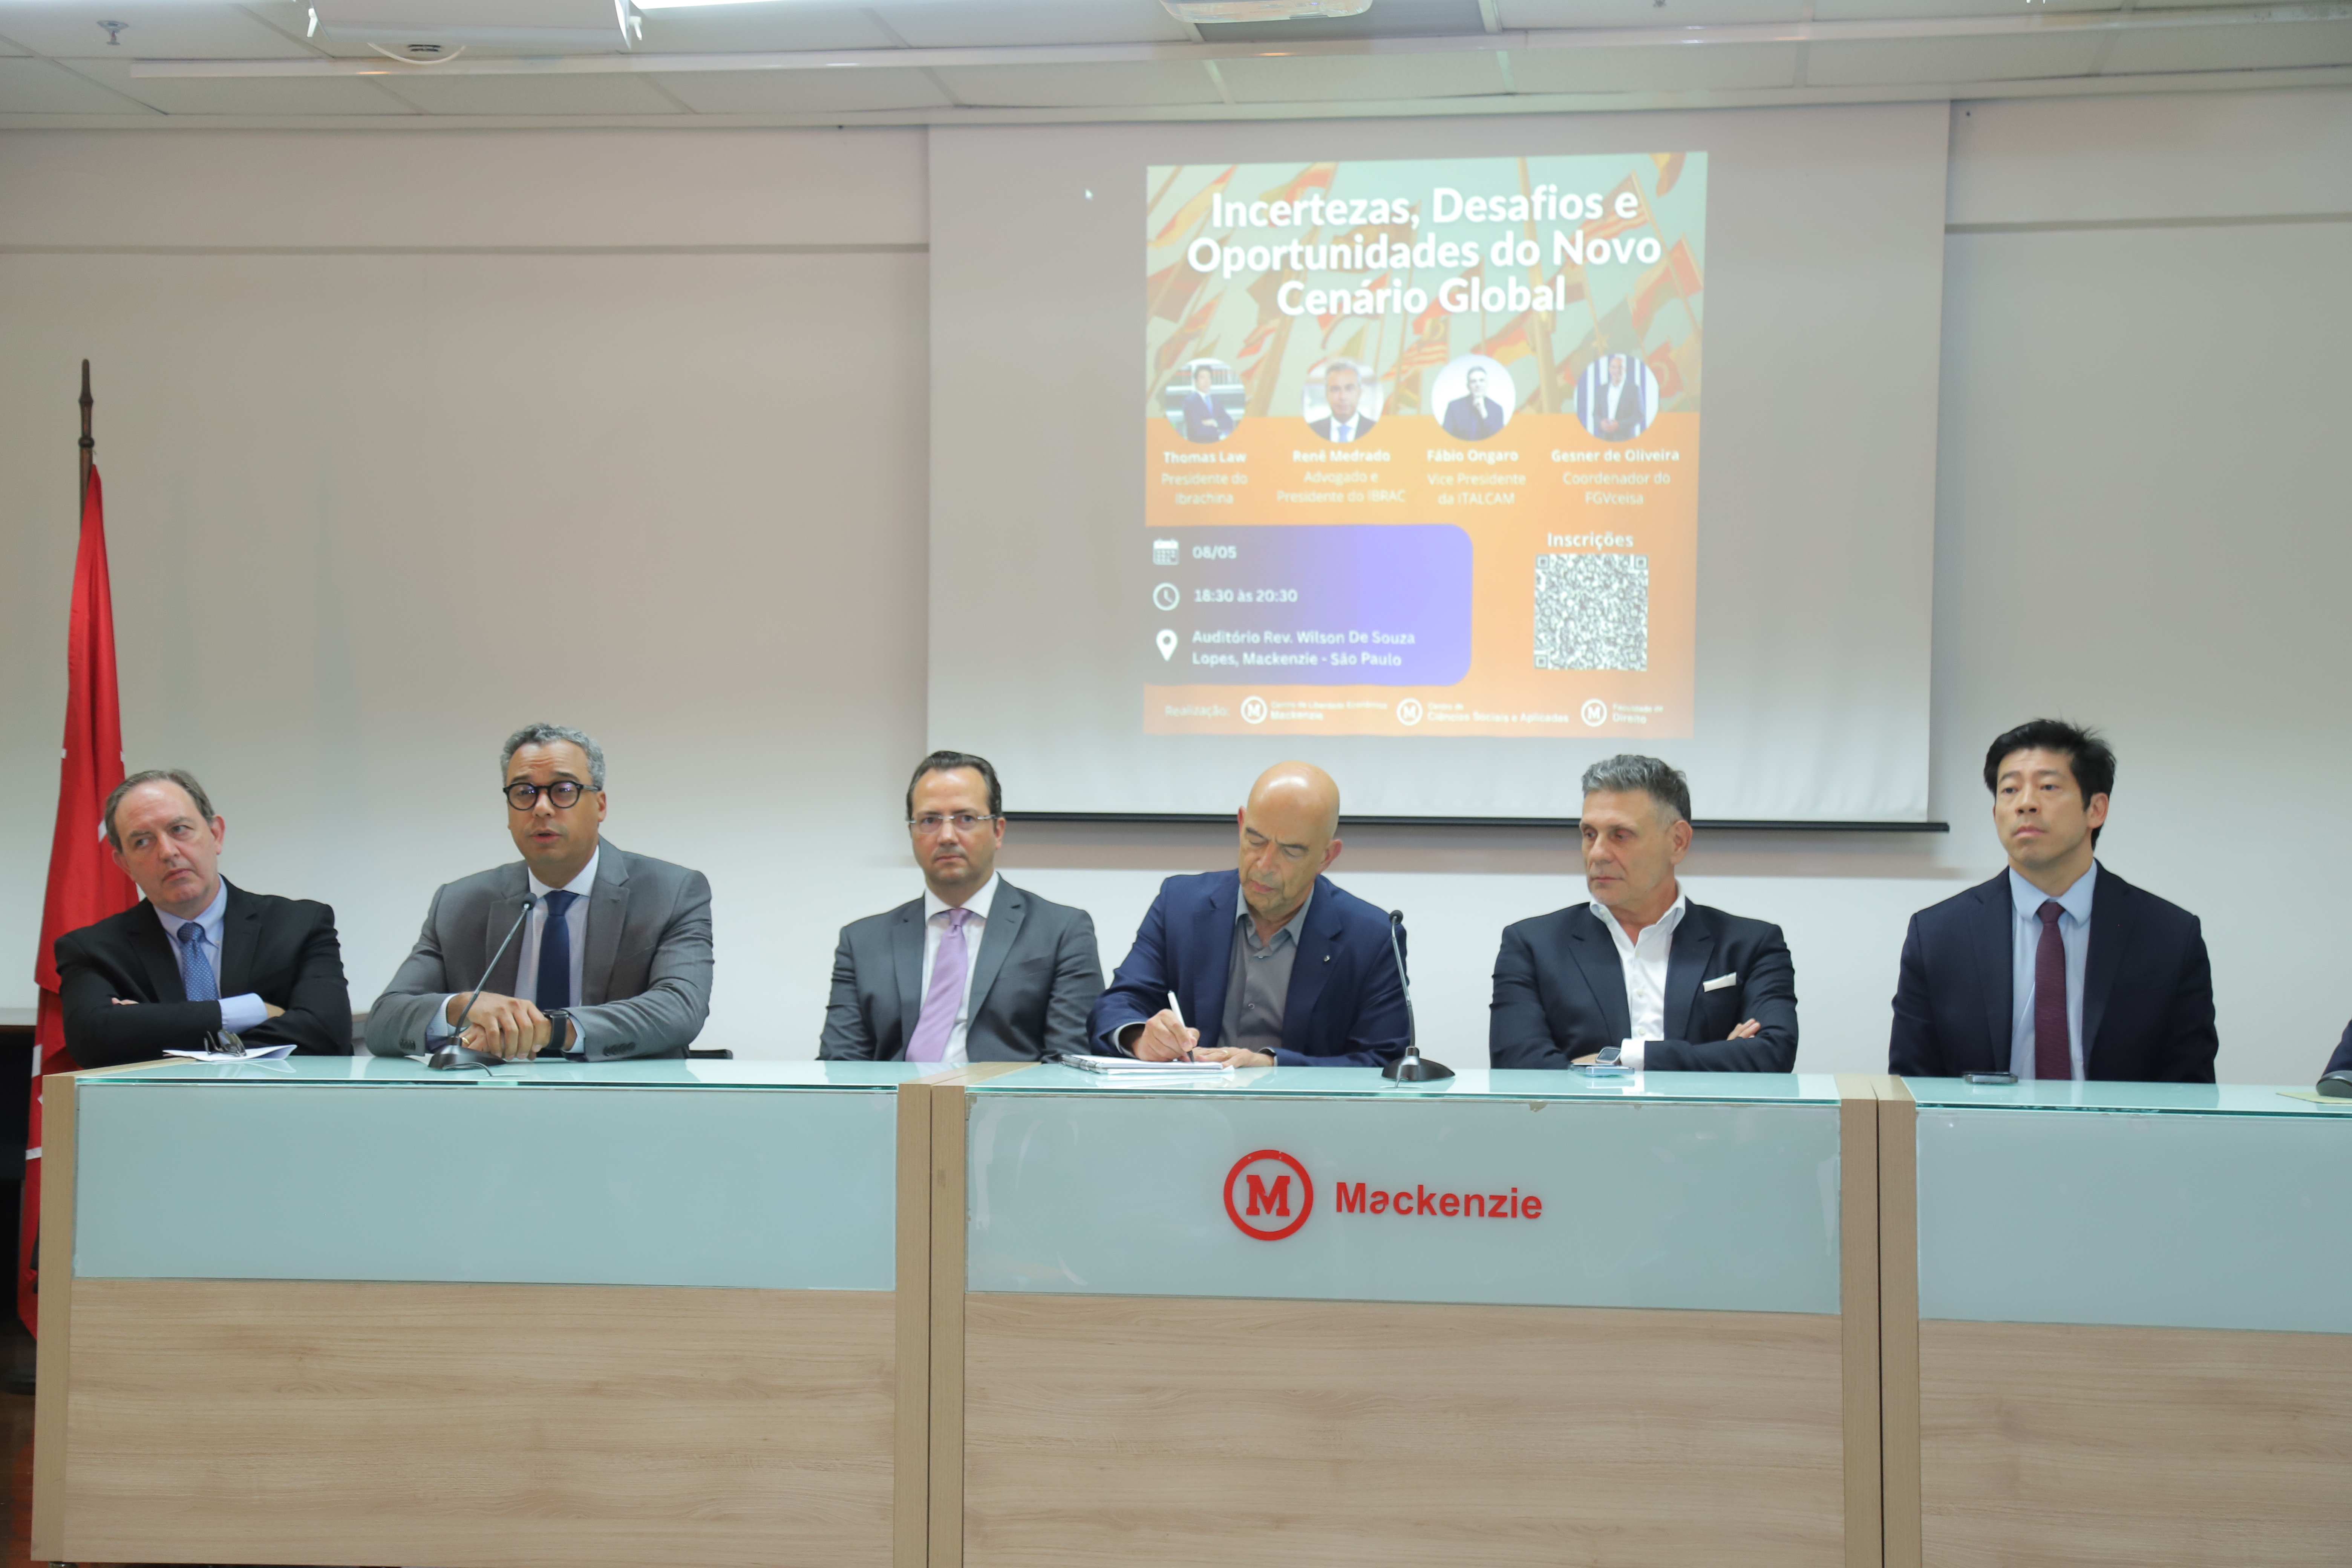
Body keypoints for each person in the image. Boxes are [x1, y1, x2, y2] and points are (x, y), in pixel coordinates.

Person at [1889, 720, 2217, 1082]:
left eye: (2048, 787)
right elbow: (1911, 1088)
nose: (2026, 804)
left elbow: (2190, 1092)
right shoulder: (1937, 936)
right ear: (1996, 814)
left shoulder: (2169, 936)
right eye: (2010, 790)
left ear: (2096, 809)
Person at [369, 723, 712, 1061]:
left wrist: (549, 1029)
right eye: (524, 792)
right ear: (509, 811)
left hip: (623, 1092)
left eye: (564, 790)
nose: (542, 808)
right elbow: (384, 1021)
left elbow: (679, 1009)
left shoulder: (671, 892)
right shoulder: (459, 903)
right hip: (497, 1092)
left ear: (600, 805)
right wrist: (459, 1006)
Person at [1090, 761, 1407, 1069]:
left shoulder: (1373, 938)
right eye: (1256, 840)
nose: (1265, 865)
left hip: (1301, 1105)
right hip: (1191, 1102)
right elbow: (1117, 1005)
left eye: (1291, 851)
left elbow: (1382, 1061)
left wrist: (1273, 1065)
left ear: (1326, 856)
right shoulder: (1180, 905)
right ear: (1241, 824)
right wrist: (1139, 1038)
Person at [1489, 755, 1796, 1072]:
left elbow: (1773, 1055)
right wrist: (1718, 1056)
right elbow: (1518, 1068)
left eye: (1620, 835)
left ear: (1678, 842)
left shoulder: (1751, 945)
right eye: (1590, 834)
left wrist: (1621, 1059)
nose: (1598, 854)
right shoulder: (1532, 946)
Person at [54, 769, 352, 1068]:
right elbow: (92, 1040)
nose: (168, 852)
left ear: (215, 835)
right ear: (125, 865)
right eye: (143, 842)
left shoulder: (299, 925)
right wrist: (253, 1010)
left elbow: (328, 1034)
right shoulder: (94, 949)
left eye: (179, 829)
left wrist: (150, 1029)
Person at [820, 751, 1103, 1063]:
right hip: (894, 1095)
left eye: (966, 819)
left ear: (998, 831)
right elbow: (841, 1065)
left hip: (1008, 1095)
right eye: (929, 820)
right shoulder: (862, 942)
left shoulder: (1061, 931)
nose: (946, 836)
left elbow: (1068, 1064)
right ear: (912, 833)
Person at [1579, 353, 1652, 442]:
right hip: (1603, 438)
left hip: (1625, 439)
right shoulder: (1601, 390)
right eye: (1614, 367)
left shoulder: (1634, 390)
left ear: (1625, 370)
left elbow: (1639, 415)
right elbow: (1596, 414)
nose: (1617, 370)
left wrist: (1619, 425)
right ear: (1610, 369)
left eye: (1621, 367)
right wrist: (1601, 423)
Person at [1308, 360, 1378, 443]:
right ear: (1327, 394)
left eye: (1349, 389)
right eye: (1335, 389)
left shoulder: (1376, 429)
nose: (1342, 397)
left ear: (1359, 393)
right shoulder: (1311, 430)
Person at [1441, 365, 1508, 442]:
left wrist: (1483, 412)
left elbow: (1499, 440)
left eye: (1482, 381)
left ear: (1487, 384)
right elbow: (1446, 438)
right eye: (1474, 381)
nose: (1478, 385)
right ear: (1468, 386)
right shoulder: (1454, 407)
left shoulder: (1497, 409)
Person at [1180, 364, 1234, 443]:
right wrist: (1219, 431)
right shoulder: (1190, 402)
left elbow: (1229, 422)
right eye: (1203, 378)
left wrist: (1214, 423)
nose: (1207, 381)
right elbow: (1196, 431)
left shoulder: (1216, 401)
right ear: (1195, 381)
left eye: (1209, 378)